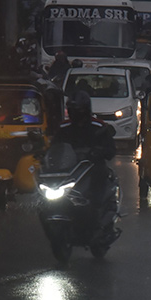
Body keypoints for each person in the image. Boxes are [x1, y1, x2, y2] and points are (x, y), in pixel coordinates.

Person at [55, 90, 119, 232]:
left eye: (77, 110)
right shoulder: (63, 128)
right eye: (72, 110)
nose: (74, 113)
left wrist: (98, 152)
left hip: (92, 168)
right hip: (69, 170)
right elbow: (54, 147)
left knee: (96, 188)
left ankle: (96, 216)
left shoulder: (98, 127)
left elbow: (110, 150)